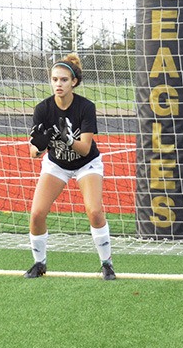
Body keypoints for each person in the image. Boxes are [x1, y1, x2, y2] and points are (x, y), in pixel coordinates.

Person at [25, 53, 115, 281]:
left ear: (73, 82)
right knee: (36, 214)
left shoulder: (85, 107)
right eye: (55, 79)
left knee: (94, 211)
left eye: (63, 80)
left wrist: (66, 139)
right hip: (57, 164)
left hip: (87, 164)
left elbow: (85, 148)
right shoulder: (43, 109)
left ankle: (106, 263)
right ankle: (39, 263)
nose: (58, 84)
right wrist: (40, 145)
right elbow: (34, 153)